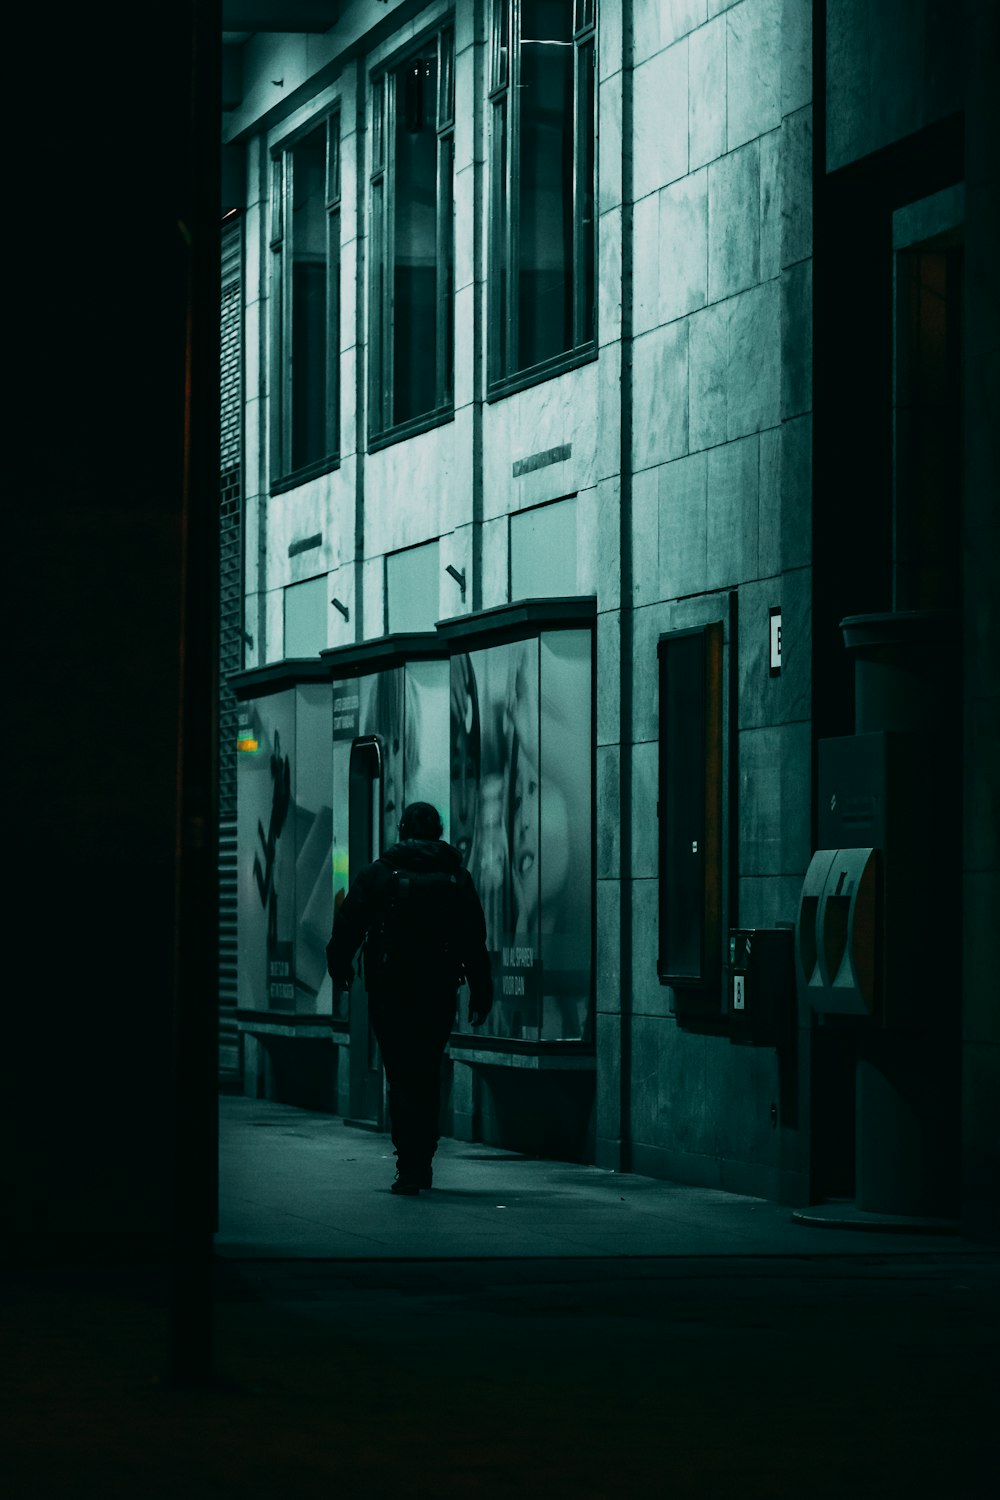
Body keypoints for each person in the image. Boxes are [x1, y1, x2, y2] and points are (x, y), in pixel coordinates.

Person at [326, 800, 493, 1195]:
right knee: (427, 1072)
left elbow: (348, 927)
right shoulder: (458, 878)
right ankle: (426, 1158)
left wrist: (341, 969)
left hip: (390, 991)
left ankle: (408, 1165)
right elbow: (474, 940)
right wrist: (481, 991)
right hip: (438, 990)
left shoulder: (379, 874)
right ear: (438, 831)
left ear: (402, 829)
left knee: (401, 1076)